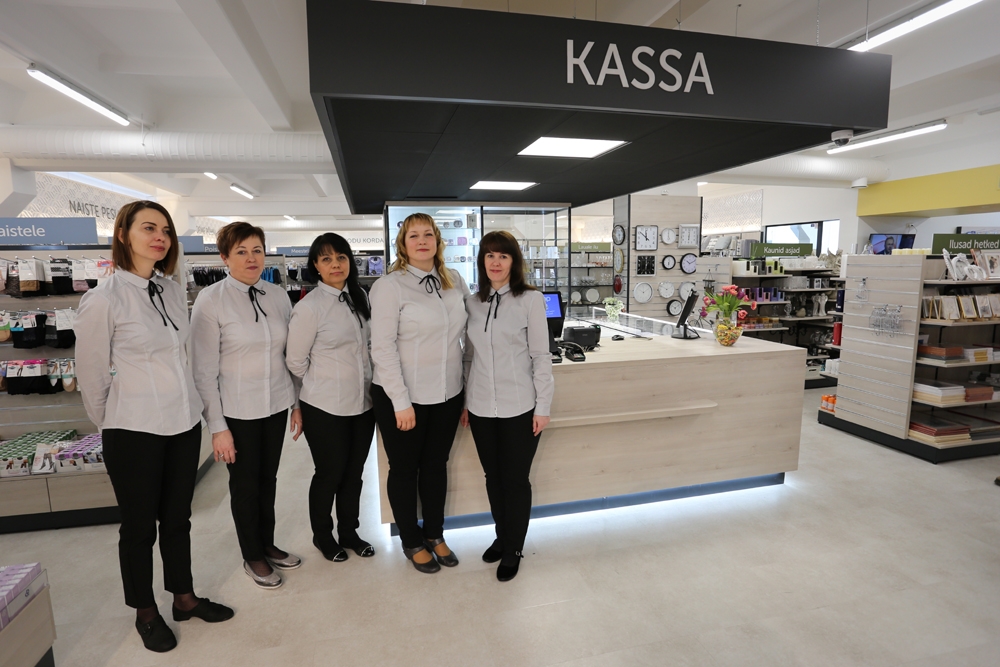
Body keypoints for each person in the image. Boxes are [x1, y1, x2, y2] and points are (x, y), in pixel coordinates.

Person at [75, 201, 234, 654]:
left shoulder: (169, 289)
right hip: (133, 430)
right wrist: (113, 421)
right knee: (139, 527)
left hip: (182, 424)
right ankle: (145, 611)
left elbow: (184, 356)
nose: (160, 236)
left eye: (165, 229)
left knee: (178, 518)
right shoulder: (103, 299)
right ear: (123, 234)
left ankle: (184, 597)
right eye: (148, 228)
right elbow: (91, 375)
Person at [190, 222, 303, 590]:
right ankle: (252, 554)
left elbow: (289, 355)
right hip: (237, 411)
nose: (251, 258)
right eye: (241, 252)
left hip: (276, 403)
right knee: (245, 486)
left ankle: (267, 543)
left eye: (257, 250)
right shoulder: (211, 300)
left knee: (268, 480)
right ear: (224, 257)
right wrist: (217, 427)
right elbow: (203, 370)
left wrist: (296, 403)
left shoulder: (277, 295)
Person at [370, 213, 469, 573]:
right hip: (403, 397)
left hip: (447, 393)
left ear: (438, 241)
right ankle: (411, 540)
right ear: (403, 244)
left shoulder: (453, 280)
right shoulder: (389, 286)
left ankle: (435, 533)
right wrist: (400, 401)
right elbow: (381, 348)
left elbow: (467, 335)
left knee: (436, 466)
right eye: (414, 235)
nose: (422, 241)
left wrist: (466, 393)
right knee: (404, 469)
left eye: (428, 234)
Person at [461, 231, 554, 581]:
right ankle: (502, 536)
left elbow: (541, 356)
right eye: (489, 255)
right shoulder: (473, 302)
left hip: (520, 406)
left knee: (515, 480)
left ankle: (514, 547)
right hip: (481, 406)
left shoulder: (530, 299)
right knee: (493, 478)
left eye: (503, 256)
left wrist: (542, 406)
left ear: (514, 261)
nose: (495, 262)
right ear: (481, 261)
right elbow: (468, 357)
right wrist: (467, 401)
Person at [286, 233, 376, 562]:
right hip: (325, 407)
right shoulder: (309, 308)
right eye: (326, 259)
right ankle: (323, 535)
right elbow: (295, 361)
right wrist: (320, 383)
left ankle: (349, 532)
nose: (335, 264)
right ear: (316, 266)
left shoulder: (360, 297)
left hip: (363, 404)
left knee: (354, 474)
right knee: (329, 474)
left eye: (341, 257)